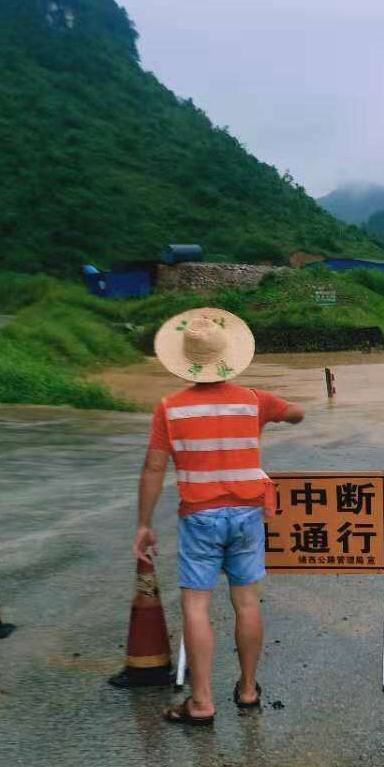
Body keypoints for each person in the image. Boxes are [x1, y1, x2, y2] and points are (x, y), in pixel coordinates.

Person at [134, 308, 304, 727]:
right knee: (246, 602)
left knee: (196, 605)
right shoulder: (254, 401)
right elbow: (297, 413)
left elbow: (154, 467)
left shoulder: (170, 408)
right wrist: (278, 413)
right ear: (227, 357)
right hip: (247, 514)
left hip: (200, 518)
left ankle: (202, 702)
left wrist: (144, 524)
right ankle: (248, 690)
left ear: (186, 361)